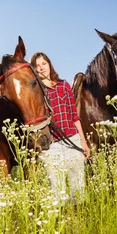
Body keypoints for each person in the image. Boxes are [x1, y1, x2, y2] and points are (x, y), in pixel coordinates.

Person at [30, 52, 90, 204]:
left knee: (78, 189)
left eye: (44, 63)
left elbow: (74, 116)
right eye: (37, 66)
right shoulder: (36, 92)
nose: (41, 68)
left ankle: (78, 222)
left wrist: (83, 142)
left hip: (73, 139)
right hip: (52, 146)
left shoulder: (64, 85)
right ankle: (63, 223)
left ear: (49, 64)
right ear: (34, 70)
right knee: (57, 191)